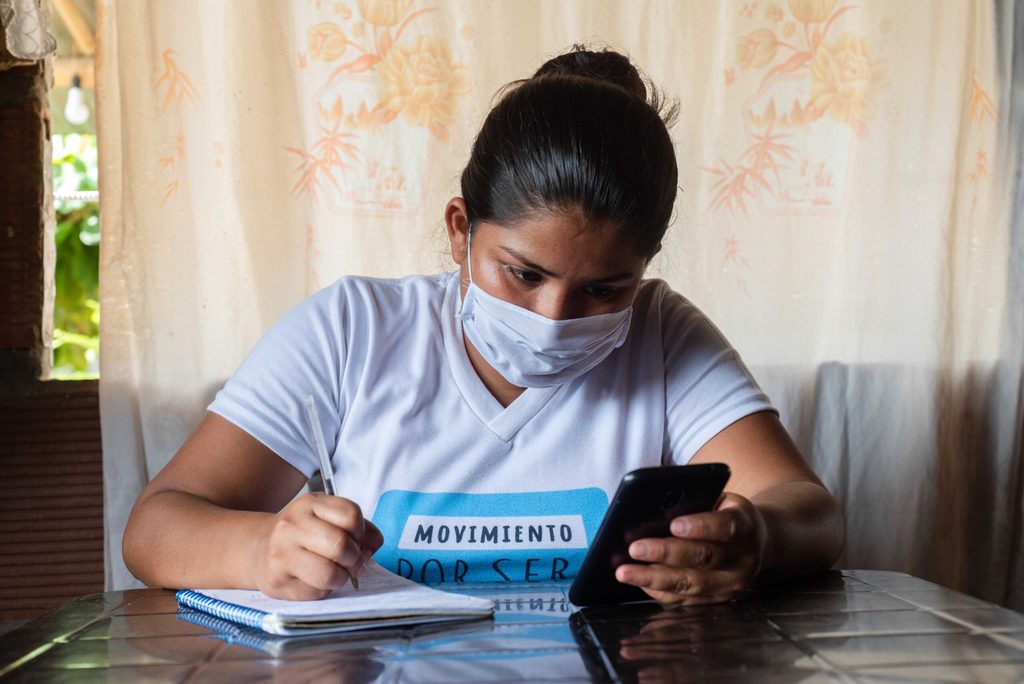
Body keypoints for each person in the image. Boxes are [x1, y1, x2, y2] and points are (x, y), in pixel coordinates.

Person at [123, 46, 844, 606]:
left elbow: (810, 513)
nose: (554, 319)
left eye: (604, 288)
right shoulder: (353, 331)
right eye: (523, 275)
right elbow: (155, 528)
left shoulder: (664, 336)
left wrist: (757, 539)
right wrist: (259, 550)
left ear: (645, 269)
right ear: (460, 229)